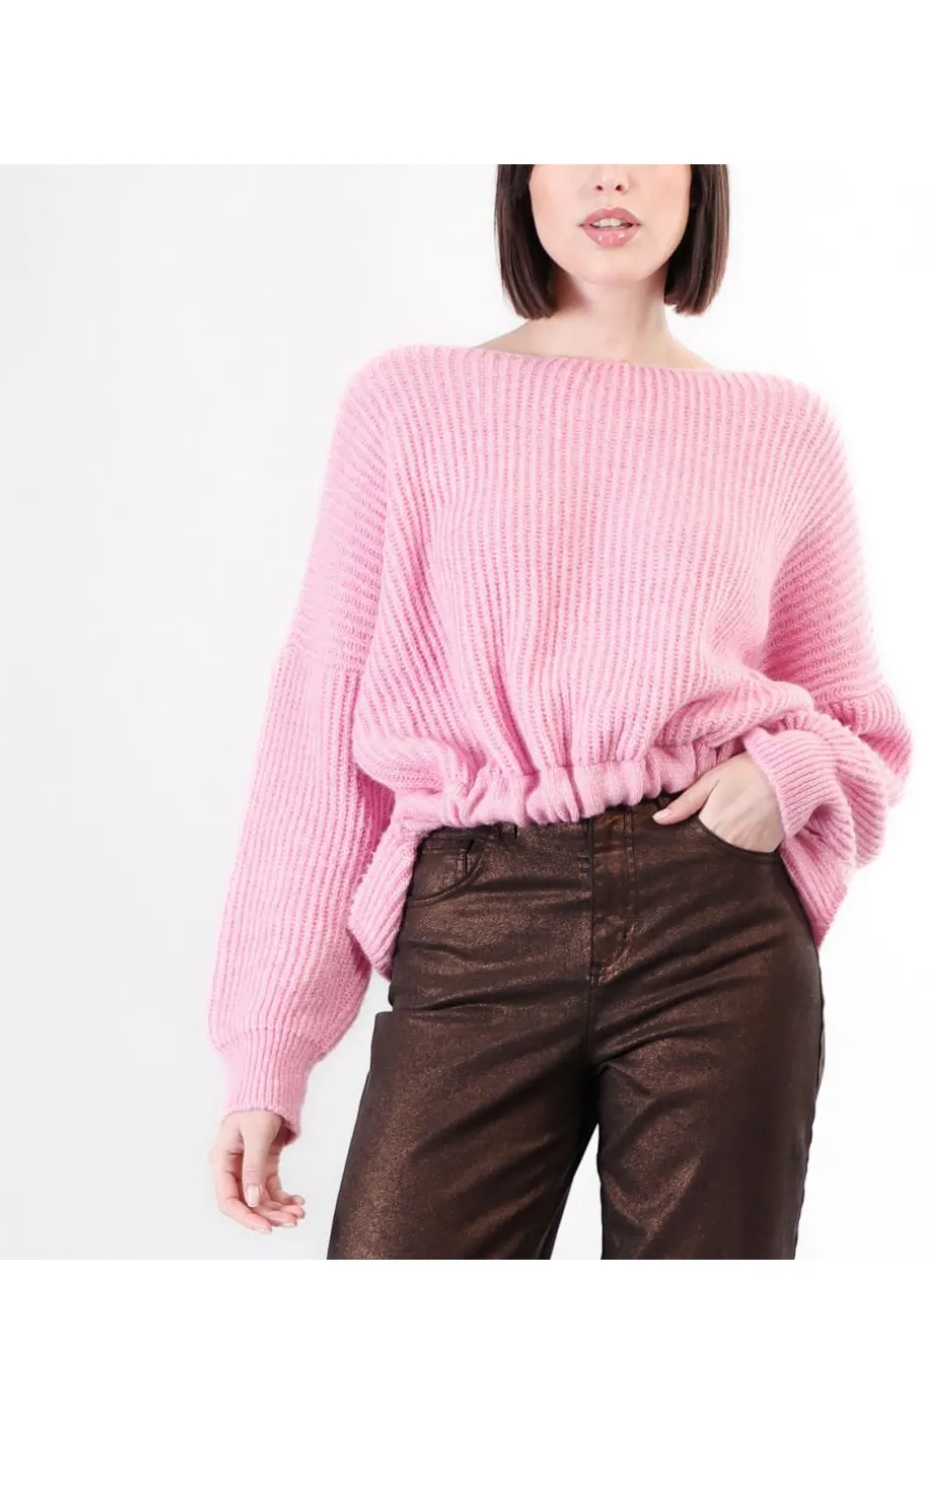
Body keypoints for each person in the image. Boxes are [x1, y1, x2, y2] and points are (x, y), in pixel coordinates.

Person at [206, 165, 913, 1257]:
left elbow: (858, 724)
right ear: (521, 178)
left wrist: (788, 773)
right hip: (477, 917)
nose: (608, 172)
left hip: (716, 922)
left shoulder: (780, 428)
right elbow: (320, 724)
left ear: (700, 180)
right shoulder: (408, 404)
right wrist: (269, 1047)